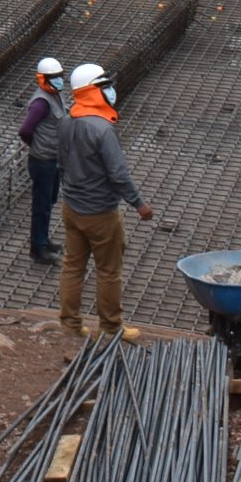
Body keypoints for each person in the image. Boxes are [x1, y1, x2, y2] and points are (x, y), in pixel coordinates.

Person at [58, 61, 150, 341]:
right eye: (104, 86)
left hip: (71, 207)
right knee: (109, 271)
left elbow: (61, 162)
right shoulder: (102, 129)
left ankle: (70, 323)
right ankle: (111, 327)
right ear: (91, 91)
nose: (110, 90)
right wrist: (139, 204)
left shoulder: (66, 121)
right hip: (100, 213)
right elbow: (118, 174)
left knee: (72, 266)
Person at [17, 56, 68, 265]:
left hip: (54, 159)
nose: (58, 80)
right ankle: (37, 248)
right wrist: (36, 146)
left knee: (49, 201)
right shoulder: (41, 102)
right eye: (53, 77)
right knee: (41, 205)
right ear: (42, 79)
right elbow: (25, 130)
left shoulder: (56, 95)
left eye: (59, 76)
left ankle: (44, 240)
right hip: (42, 161)